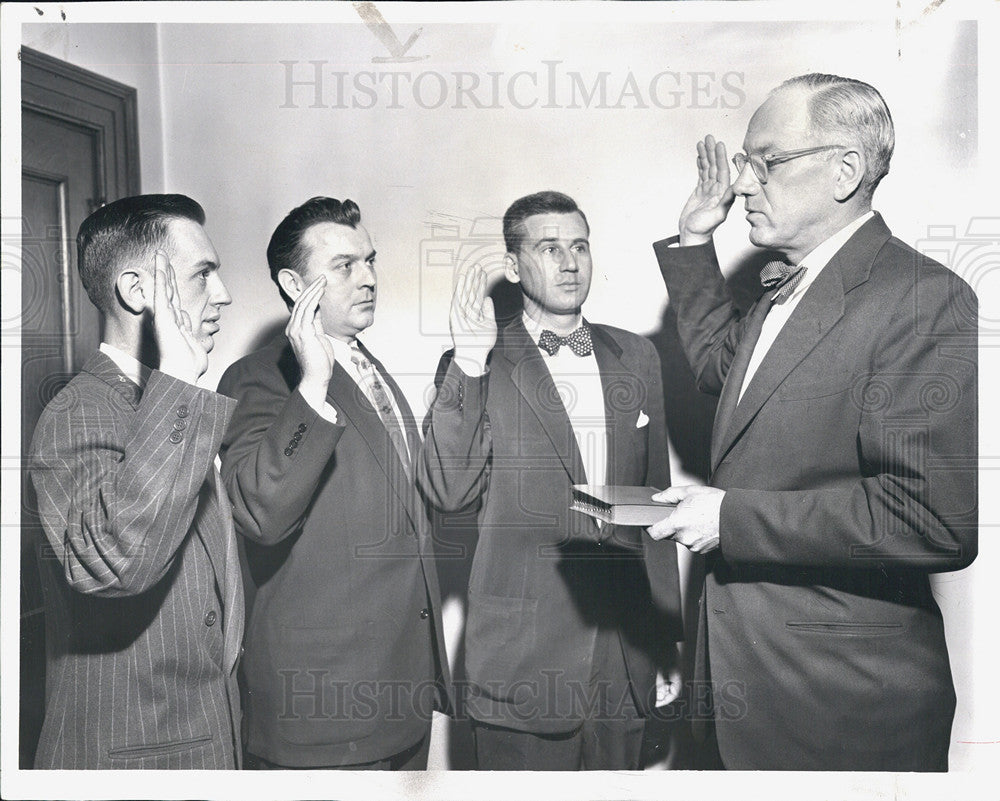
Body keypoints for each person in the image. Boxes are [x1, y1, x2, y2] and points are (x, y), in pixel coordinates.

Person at [649, 73, 977, 771]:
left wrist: (731, 519)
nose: (742, 185)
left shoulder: (920, 298)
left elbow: (931, 515)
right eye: (746, 164)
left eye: (767, 162)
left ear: (845, 171)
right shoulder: (785, 290)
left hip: (842, 706)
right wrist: (690, 241)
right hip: (750, 685)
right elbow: (718, 369)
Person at [422, 190, 683, 770]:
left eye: (580, 247)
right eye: (548, 248)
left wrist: (667, 636)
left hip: (624, 654)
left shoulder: (637, 356)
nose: (570, 263)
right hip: (523, 662)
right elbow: (447, 491)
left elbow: (657, 503)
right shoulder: (475, 360)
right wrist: (469, 361)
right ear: (514, 267)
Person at [217, 197, 451, 770]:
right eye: (344, 265)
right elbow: (261, 515)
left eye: (369, 260)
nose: (368, 277)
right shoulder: (255, 380)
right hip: (321, 710)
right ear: (295, 285)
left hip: (398, 698)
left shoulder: (371, 367)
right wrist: (313, 389)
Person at [29, 194, 242, 769]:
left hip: (199, 738)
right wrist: (178, 375)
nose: (222, 294)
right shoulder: (78, 411)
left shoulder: (166, 404)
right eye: (203, 274)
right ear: (137, 291)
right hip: (136, 758)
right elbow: (113, 562)